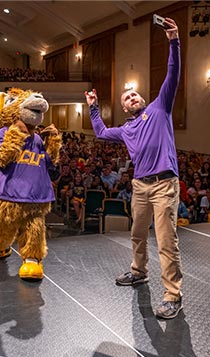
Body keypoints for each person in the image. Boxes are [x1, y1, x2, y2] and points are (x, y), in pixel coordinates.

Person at [84, 17, 183, 319]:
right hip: (140, 186)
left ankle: (173, 295)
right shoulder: (125, 129)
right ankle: (138, 272)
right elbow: (100, 132)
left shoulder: (159, 108)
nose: (132, 97)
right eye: (127, 97)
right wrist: (92, 107)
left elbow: (173, 73)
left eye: (134, 93)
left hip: (165, 184)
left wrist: (174, 40)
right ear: (125, 108)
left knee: (167, 242)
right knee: (137, 234)